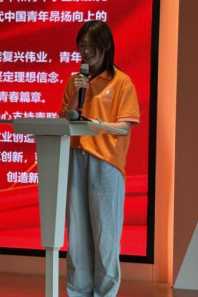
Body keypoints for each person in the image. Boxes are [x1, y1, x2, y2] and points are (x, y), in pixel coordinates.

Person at [59, 20, 140, 297]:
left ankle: (105, 293)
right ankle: (78, 291)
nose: (86, 52)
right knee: (77, 233)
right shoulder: (75, 81)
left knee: (105, 234)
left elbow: (125, 126)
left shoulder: (121, 82)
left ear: (106, 47)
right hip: (75, 157)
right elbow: (64, 120)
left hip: (106, 162)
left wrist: (97, 124)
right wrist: (76, 96)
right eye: (82, 45)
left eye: (92, 45)